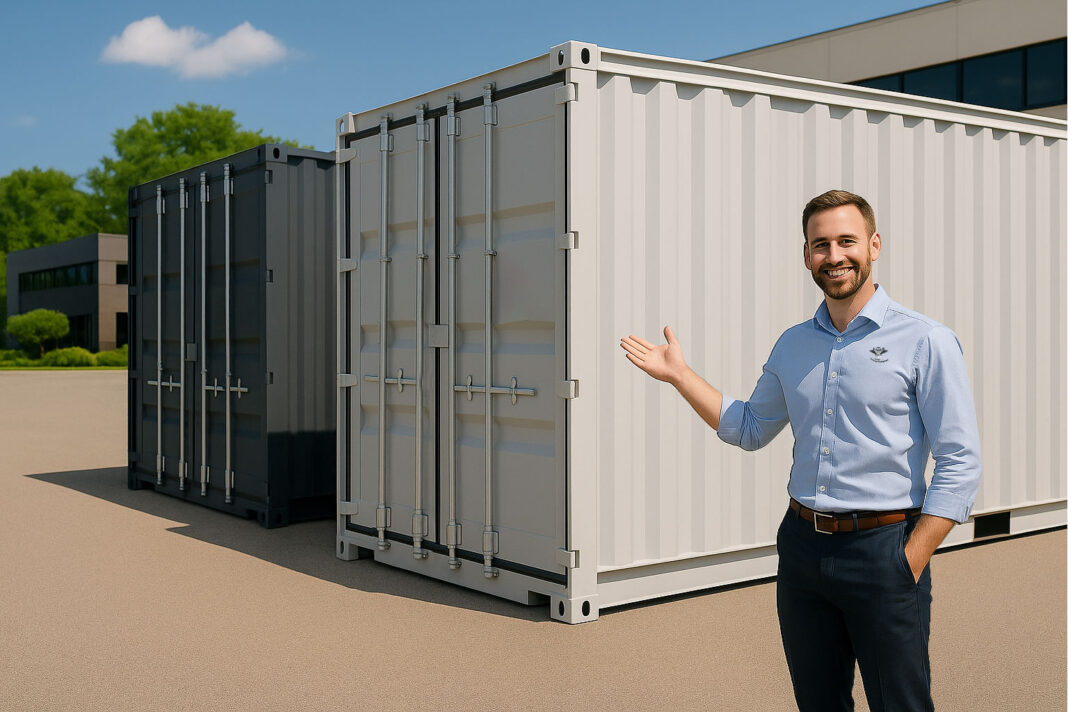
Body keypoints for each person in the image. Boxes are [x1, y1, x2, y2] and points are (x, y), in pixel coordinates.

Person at [619, 189, 981, 711]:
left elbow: (961, 460)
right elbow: (748, 428)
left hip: (884, 550)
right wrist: (679, 375)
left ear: (874, 245)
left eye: (846, 241)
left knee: (899, 704)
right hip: (802, 550)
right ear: (806, 254)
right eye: (820, 244)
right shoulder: (793, 344)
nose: (833, 256)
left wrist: (910, 558)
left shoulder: (925, 340)